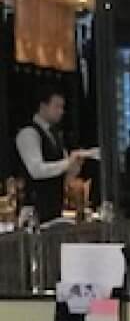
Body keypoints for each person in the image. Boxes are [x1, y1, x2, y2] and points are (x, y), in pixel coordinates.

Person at [14, 89, 86, 225]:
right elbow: (36, 170)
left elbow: (65, 178)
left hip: (54, 210)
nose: (61, 111)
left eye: (62, 107)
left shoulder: (56, 135)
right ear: (43, 106)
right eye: (57, 106)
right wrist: (67, 162)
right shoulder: (28, 133)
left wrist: (74, 167)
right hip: (34, 211)